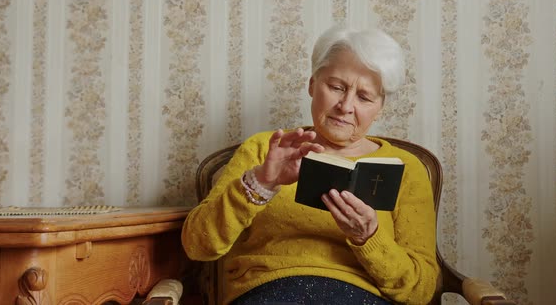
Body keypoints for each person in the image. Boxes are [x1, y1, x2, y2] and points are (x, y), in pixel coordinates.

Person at [182, 25, 439, 305]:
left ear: (380, 107)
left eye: (364, 97)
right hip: (267, 294)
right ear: (312, 84)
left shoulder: (406, 169)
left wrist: (370, 238)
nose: (346, 106)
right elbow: (197, 245)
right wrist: (259, 184)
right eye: (336, 87)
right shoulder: (264, 149)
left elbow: (421, 291)